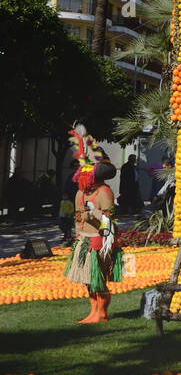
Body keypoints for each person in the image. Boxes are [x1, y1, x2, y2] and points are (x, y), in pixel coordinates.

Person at [64, 129, 123, 323]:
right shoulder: (80, 194)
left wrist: (94, 217)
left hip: (99, 241)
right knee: (87, 281)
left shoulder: (104, 192)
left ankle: (102, 313)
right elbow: (76, 217)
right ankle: (93, 311)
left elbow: (108, 222)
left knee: (98, 280)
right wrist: (77, 234)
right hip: (83, 241)